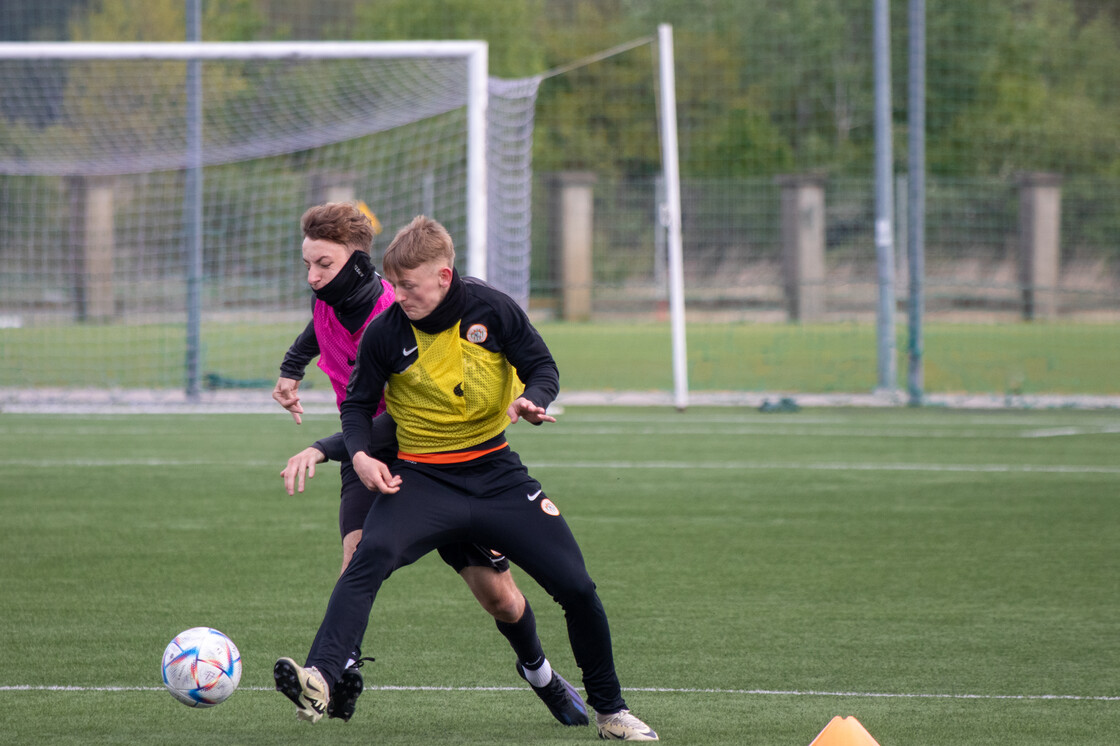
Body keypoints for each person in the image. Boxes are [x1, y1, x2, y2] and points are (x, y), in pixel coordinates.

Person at [274, 215, 658, 741]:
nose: (398, 296)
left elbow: (543, 367)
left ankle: (611, 711)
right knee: (366, 559)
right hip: (421, 479)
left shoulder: (492, 309)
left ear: (444, 277)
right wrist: (357, 455)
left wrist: (534, 400)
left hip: (495, 473)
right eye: (395, 284)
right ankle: (321, 675)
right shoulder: (387, 331)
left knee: (575, 587)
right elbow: (359, 407)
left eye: (408, 286)